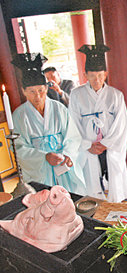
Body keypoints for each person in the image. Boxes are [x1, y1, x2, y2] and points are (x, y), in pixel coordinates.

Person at [11, 53, 86, 195]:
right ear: (24, 92)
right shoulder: (19, 115)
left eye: (41, 90)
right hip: (40, 171)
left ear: (46, 88)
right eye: (32, 92)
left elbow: (73, 137)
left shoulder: (59, 109)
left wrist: (68, 154)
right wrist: (44, 156)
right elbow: (19, 149)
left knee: (68, 200)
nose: (38, 96)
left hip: (62, 166)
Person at [69, 44, 127, 202]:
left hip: (109, 147)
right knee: (92, 184)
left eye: (100, 76)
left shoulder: (115, 95)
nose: (97, 80)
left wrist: (105, 143)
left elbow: (121, 124)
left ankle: (116, 207)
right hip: (88, 147)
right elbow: (73, 124)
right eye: (92, 76)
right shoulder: (76, 95)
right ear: (85, 75)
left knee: (113, 181)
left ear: (106, 74)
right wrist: (87, 144)